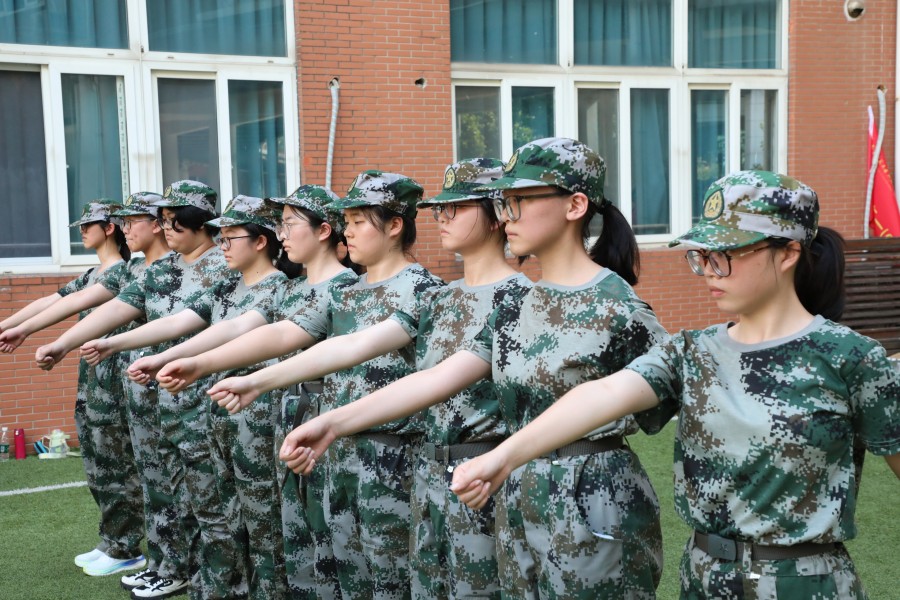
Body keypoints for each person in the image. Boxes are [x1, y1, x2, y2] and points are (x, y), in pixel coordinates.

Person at [450, 170, 900, 599]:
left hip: (804, 583)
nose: (709, 269)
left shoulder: (849, 359)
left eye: (724, 254)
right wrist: (503, 457)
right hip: (703, 577)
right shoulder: (690, 351)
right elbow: (604, 393)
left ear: (787, 253)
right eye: (702, 255)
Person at [273, 138, 667, 599]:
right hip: (518, 494)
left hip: (592, 497)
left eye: (518, 201)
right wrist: (332, 423)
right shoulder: (515, 308)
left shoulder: (619, 308)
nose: (506, 215)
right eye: (503, 202)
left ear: (575, 206)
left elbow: (661, 403)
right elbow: (434, 379)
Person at [208, 158, 531, 599]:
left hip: (457, 463)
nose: (443, 217)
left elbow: (380, 355)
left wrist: (257, 382)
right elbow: (344, 345)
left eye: (456, 208)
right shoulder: (441, 297)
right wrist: (253, 380)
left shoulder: (506, 295)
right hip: (412, 464)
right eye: (440, 208)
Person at [176, 171, 444, 599]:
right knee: (337, 570)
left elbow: (352, 346)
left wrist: (253, 379)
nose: (347, 231)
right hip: (335, 448)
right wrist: (203, 364)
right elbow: (285, 333)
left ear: (395, 225)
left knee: (391, 578)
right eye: (346, 221)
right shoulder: (348, 292)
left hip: (392, 454)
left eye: (358, 221)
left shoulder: (424, 289)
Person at [141, 185, 356, 599]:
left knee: (308, 539)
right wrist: (179, 358)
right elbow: (240, 326)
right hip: (281, 421)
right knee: (277, 533)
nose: (282, 234)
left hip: (316, 426)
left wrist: (199, 363)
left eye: (289, 224)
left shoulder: (343, 287)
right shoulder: (292, 289)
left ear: (324, 230)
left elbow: (276, 334)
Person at [34, 180, 244, 600]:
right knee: (158, 486)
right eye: (161, 220)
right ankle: (168, 565)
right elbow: (118, 306)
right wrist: (63, 342)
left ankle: (207, 575)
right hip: (157, 398)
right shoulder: (163, 269)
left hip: (203, 400)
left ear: (198, 221)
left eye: (172, 220)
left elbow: (197, 326)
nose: (164, 228)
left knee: (206, 498)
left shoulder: (222, 268)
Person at [80, 195, 297, 599]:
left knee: (262, 525)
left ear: (261, 241)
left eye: (230, 237)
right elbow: (181, 322)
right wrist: (116, 345)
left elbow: (234, 330)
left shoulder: (279, 288)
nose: (223, 245)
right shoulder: (228, 285)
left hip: (255, 421)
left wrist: (178, 360)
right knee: (216, 514)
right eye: (221, 237)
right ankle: (215, 586)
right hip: (217, 417)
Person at [0, 199, 147, 577]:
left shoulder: (124, 271)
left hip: (117, 379)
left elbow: (77, 304)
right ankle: (112, 539)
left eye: (88, 225)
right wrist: (8, 325)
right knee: (98, 466)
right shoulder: (94, 272)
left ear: (109, 227)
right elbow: (52, 301)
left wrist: (27, 332)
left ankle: (126, 545)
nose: (82, 231)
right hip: (93, 380)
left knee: (118, 466)